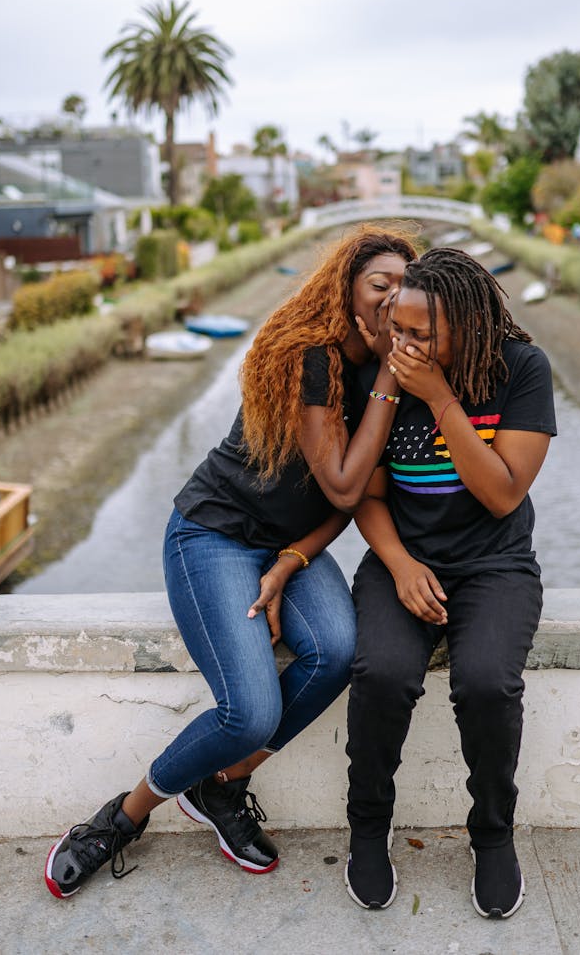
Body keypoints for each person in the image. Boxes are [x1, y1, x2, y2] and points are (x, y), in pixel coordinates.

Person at [45, 225, 418, 899]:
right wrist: (392, 374)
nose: (393, 297)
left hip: (285, 546)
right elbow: (339, 480)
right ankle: (120, 819)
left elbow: (356, 497)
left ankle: (223, 785)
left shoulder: (401, 376)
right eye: (379, 283)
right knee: (247, 709)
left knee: (337, 650)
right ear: (350, 291)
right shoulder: (318, 356)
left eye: (404, 285)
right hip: (212, 534)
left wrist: (292, 560)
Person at [343, 246, 556, 919]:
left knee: (488, 682)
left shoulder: (522, 370)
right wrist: (402, 565)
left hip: (496, 565)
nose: (401, 344)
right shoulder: (383, 382)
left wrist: (438, 397)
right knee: (381, 673)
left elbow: (500, 493)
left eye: (419, 334)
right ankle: (369, 827)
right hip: (403, 558)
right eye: (396, 329)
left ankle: (492, 834)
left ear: (466, 325)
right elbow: (367, 494)